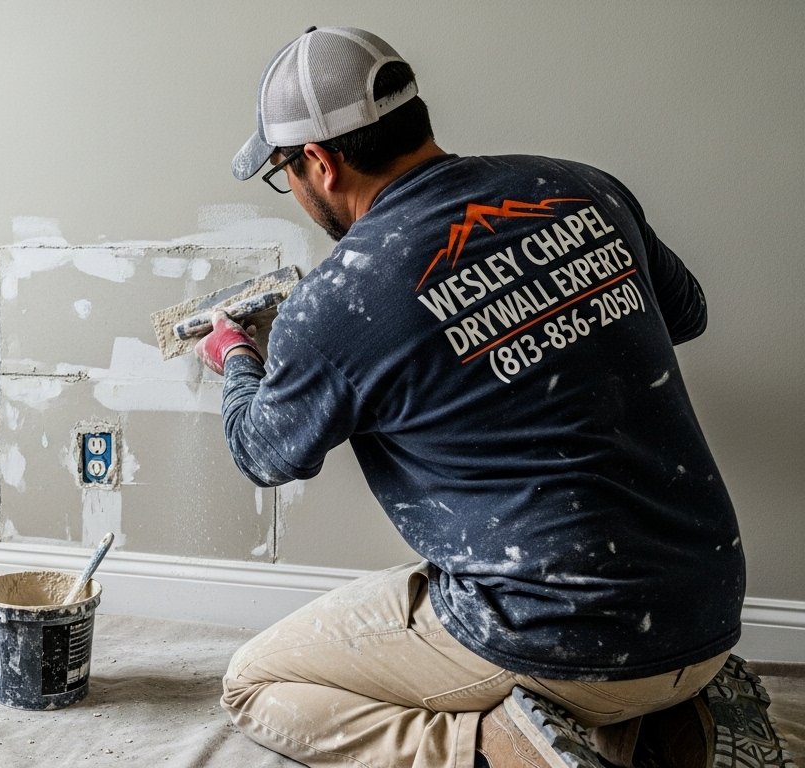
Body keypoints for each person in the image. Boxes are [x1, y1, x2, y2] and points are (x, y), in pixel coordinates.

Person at [201, 26, 794, 768]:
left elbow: (263, 452)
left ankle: (504, 750)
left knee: (257, 684)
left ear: (317, 162)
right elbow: (686, 313)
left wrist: (238, 359)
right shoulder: (580, 186)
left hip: (557, 636)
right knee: (615, 673)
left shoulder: (344, 295)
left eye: (282, 172)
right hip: (705, 607)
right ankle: (675, 723)